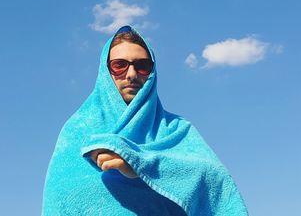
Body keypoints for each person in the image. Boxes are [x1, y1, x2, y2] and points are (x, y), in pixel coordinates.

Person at [42, 26, 248, 215]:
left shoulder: (177, 129)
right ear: (106, 72)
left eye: (142, 66)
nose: (131, 74)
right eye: (119, 65)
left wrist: (142, 165)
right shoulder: (77, 131)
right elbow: (59, 201)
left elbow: (215, 181)